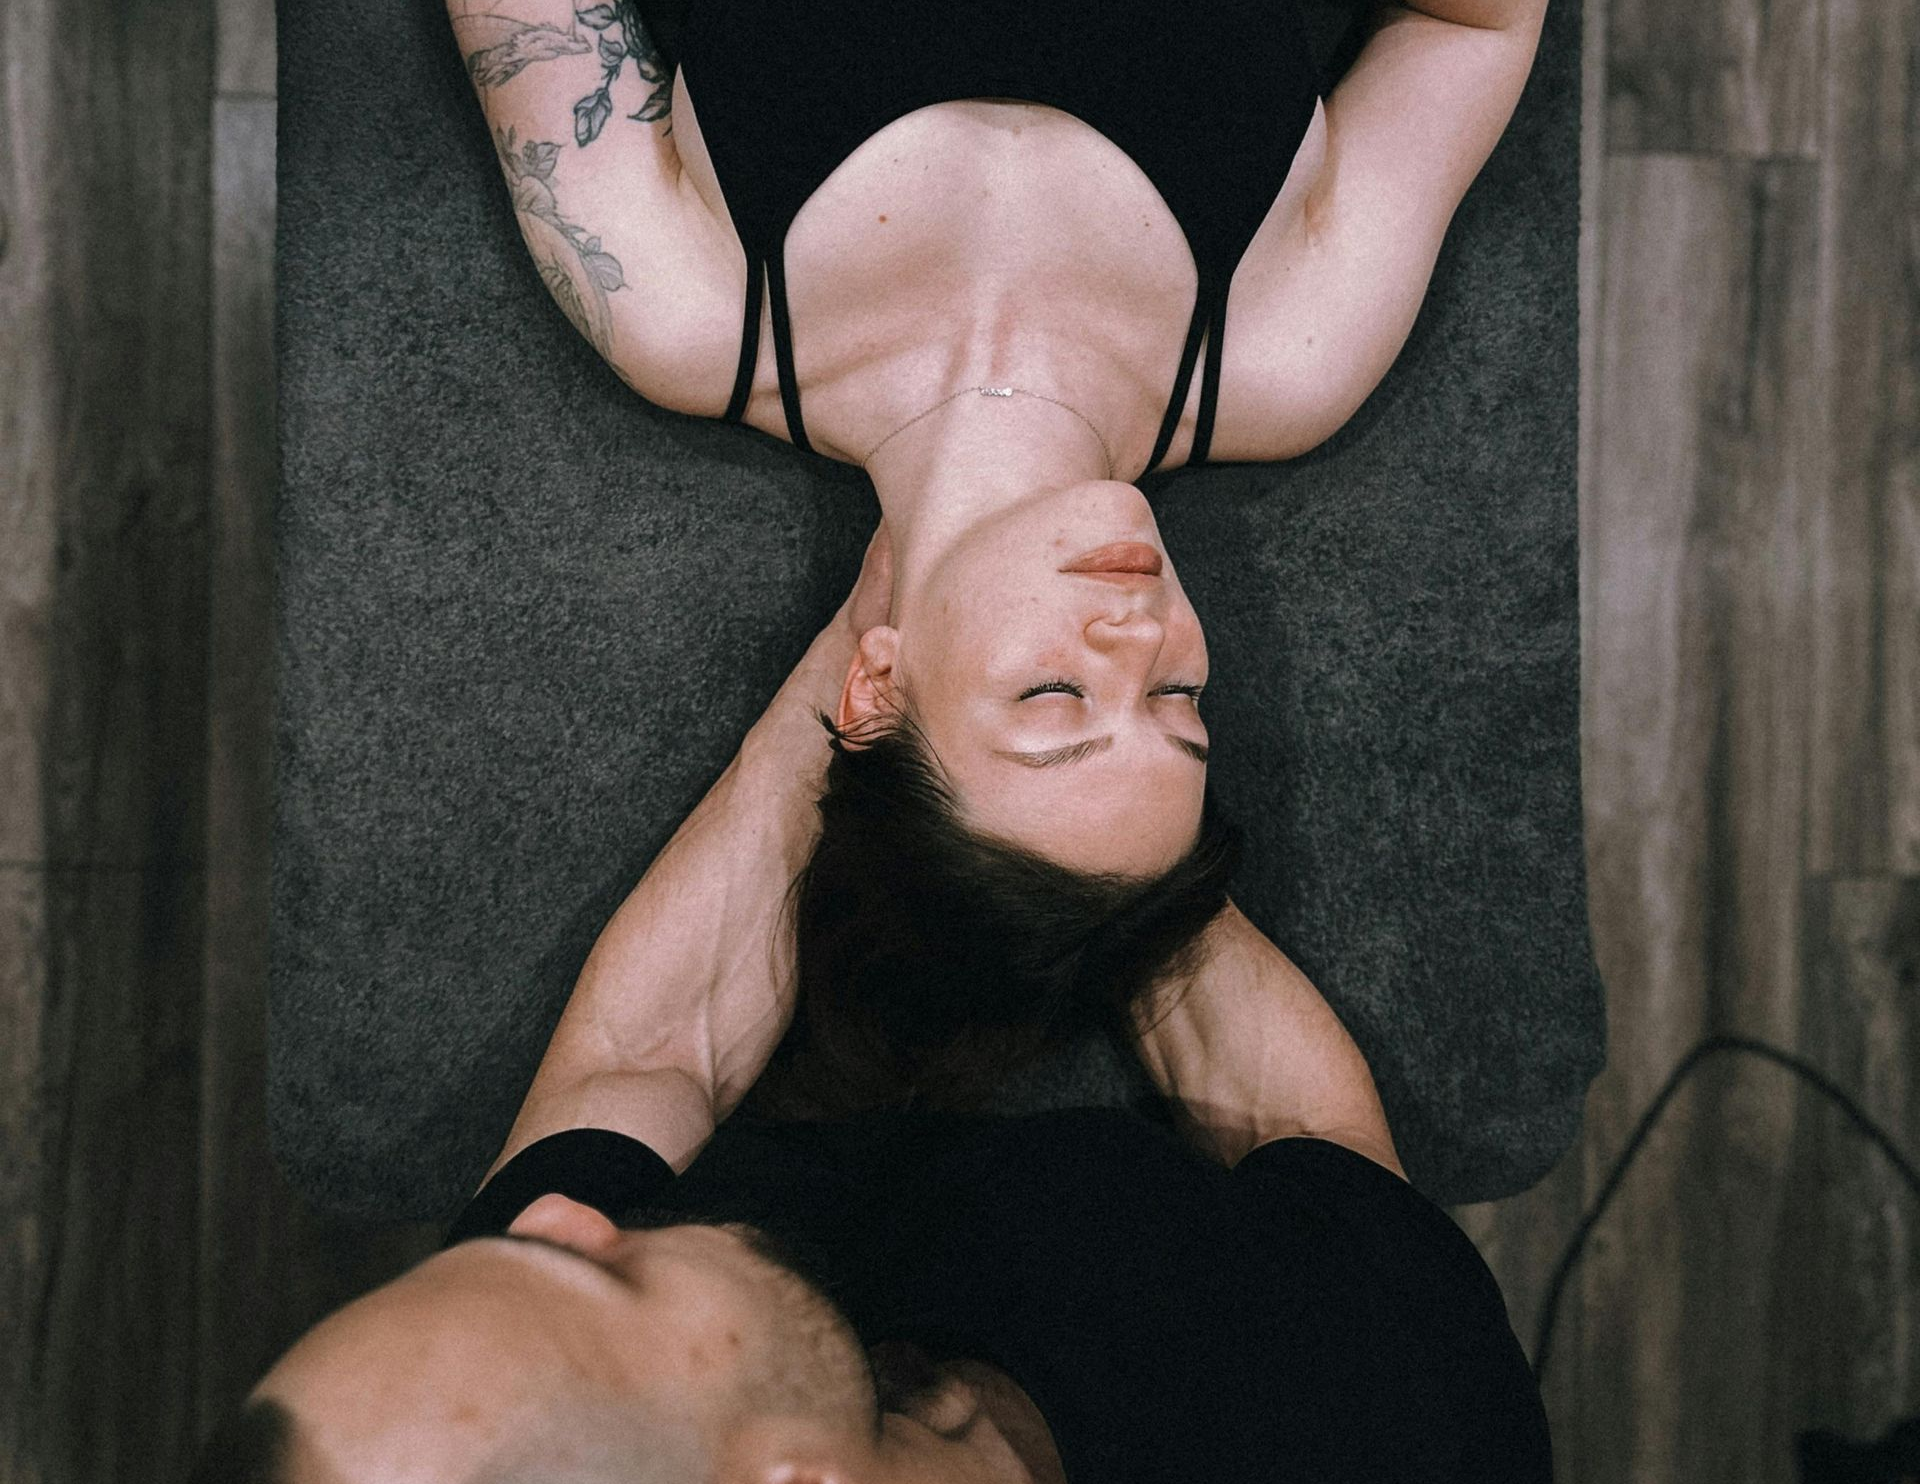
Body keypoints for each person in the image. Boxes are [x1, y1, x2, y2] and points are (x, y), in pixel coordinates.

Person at [191, 539, 1549, 1483]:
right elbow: (1301, 1123)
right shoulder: (1382, 1415)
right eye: (582, 1270)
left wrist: (888, 645)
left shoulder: (553, 1338)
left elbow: (642, 1063)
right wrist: (1093, 813)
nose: (544, 1213)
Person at [443, 0, 1551, 1108]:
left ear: (873, 688)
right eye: (1178, 694)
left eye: (1056, 696)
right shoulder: (1291, 355)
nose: (1140, 634)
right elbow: (1465, 28)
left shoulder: (683, 314)